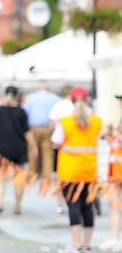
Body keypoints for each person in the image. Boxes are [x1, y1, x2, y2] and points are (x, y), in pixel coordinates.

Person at [52, 86, 102, 253]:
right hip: (89, 170)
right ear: (87, 99)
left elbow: (56, 142)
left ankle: (76, 244)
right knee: (88, 207)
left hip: (70, 171)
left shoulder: (65, 122)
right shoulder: (96, 121)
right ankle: (86, 245)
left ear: (71, 101)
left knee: (73, 206)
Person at [0, 86, 37, 217]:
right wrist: (34, 147)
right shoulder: (21, 112)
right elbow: (27, 132)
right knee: (19, 178)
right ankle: (17, 207)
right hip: (18, 148)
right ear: (17, 96)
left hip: (1, 148)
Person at [98, 96, 122, 251]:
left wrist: (114, 133)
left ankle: (115, 237)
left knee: (114, 203)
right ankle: (115, 237)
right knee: (113, 203)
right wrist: (109, 135)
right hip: (116, 167)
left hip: (119, 168)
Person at [22, 82, 60, 180]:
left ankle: (31, 175)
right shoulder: (54, 97)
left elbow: (26, 112)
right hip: (47, 127)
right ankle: (47, 177)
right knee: (47, 153)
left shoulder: (31, 97)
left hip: (33, 127)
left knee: (32, 151)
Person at [48, 85, 74, 216]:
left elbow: (52, 123)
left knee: (61, 177)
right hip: (81, 149)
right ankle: (76, 202)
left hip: (63, 147)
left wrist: (51, 136)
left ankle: (59, 204)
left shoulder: (59, 105)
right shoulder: (83, 106)